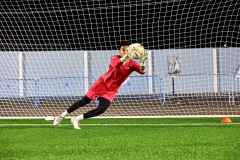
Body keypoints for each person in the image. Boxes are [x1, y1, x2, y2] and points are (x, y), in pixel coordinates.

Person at [53, 41, 147, 129]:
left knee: (101, 109)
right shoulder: (114, 58)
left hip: (112, 89)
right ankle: (62, 115)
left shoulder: (132, 63)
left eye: (127, 50)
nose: (124, 52)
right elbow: (116, 65)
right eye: (123, 50)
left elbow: (142, 71)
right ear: (119, 51)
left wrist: (142, 61)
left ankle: (76, 119)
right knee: (84, 102)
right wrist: (126, 57)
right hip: (101, 84)